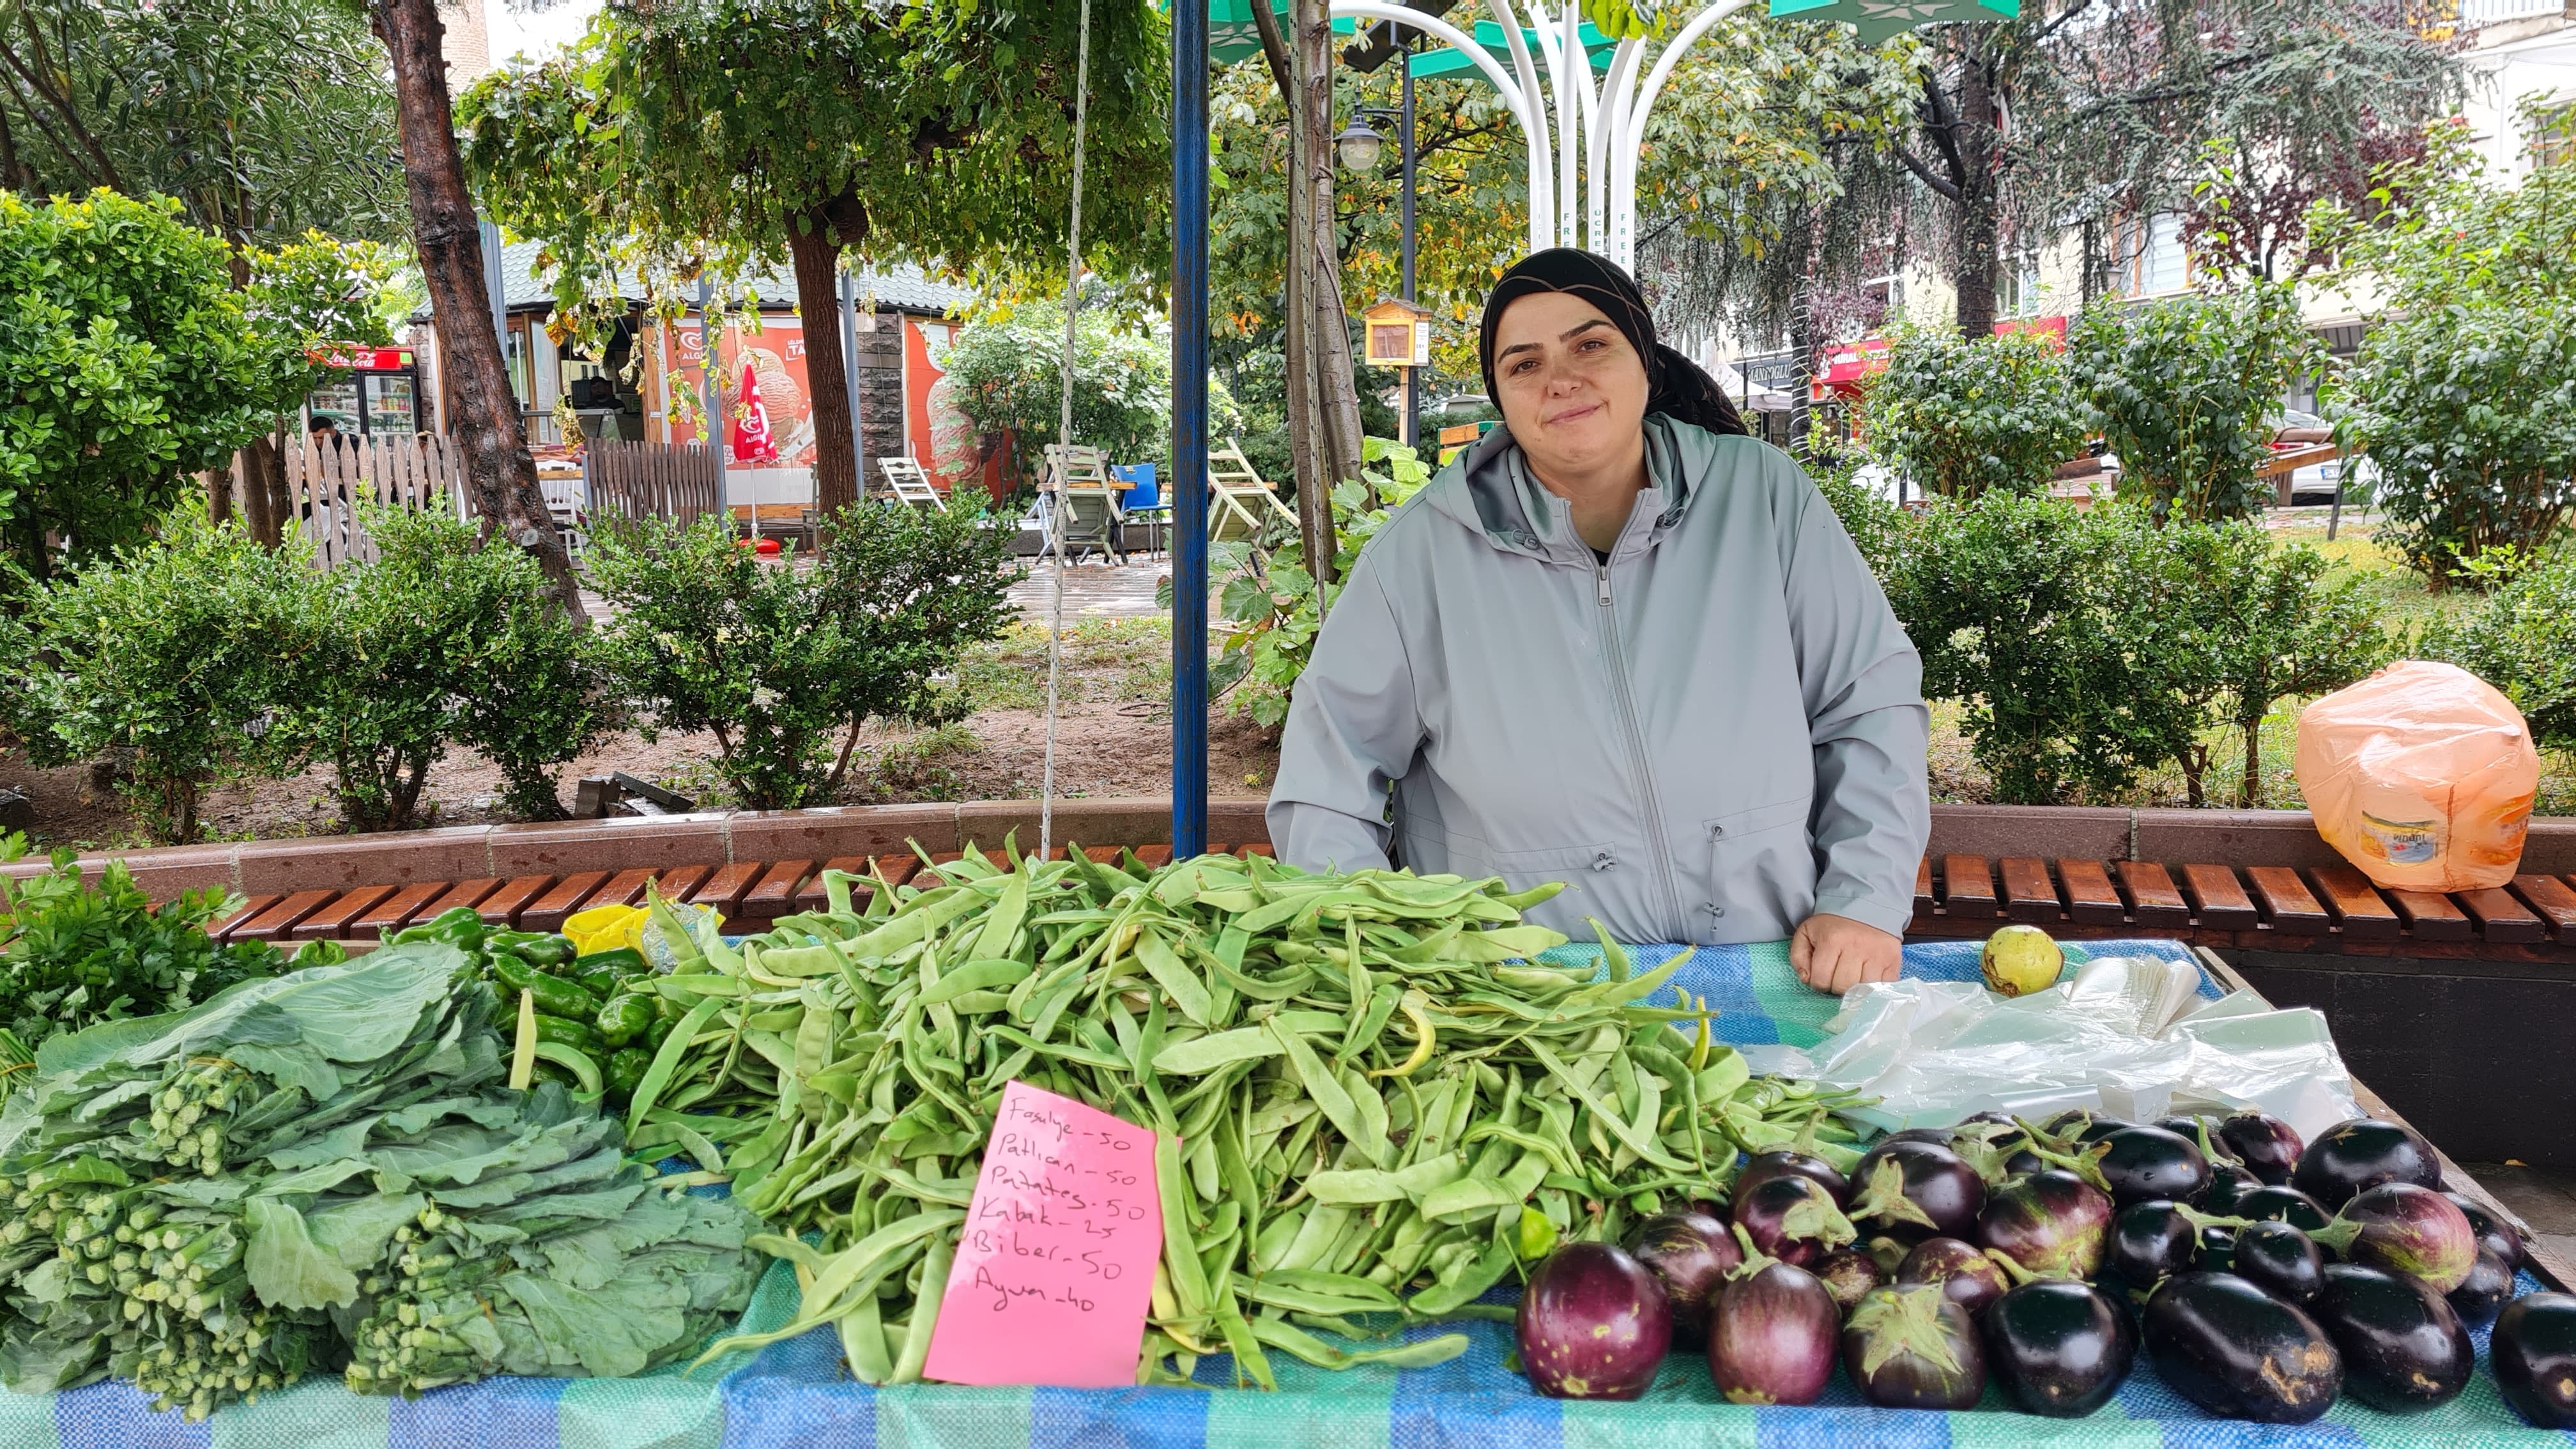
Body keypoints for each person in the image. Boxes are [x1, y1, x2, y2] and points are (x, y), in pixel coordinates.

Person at [1266, 249, 1929, 994]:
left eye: (1591, 344)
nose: (1561, 378)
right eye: (1524, 364)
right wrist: (1382, 952)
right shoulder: (1420, 553)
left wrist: (1864, 898)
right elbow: (1327, 776)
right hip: (1518, 1000)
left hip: (1772, 968)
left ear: (1644, 361)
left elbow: (1868, 707)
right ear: (1502, 398)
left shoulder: (1764, 498)